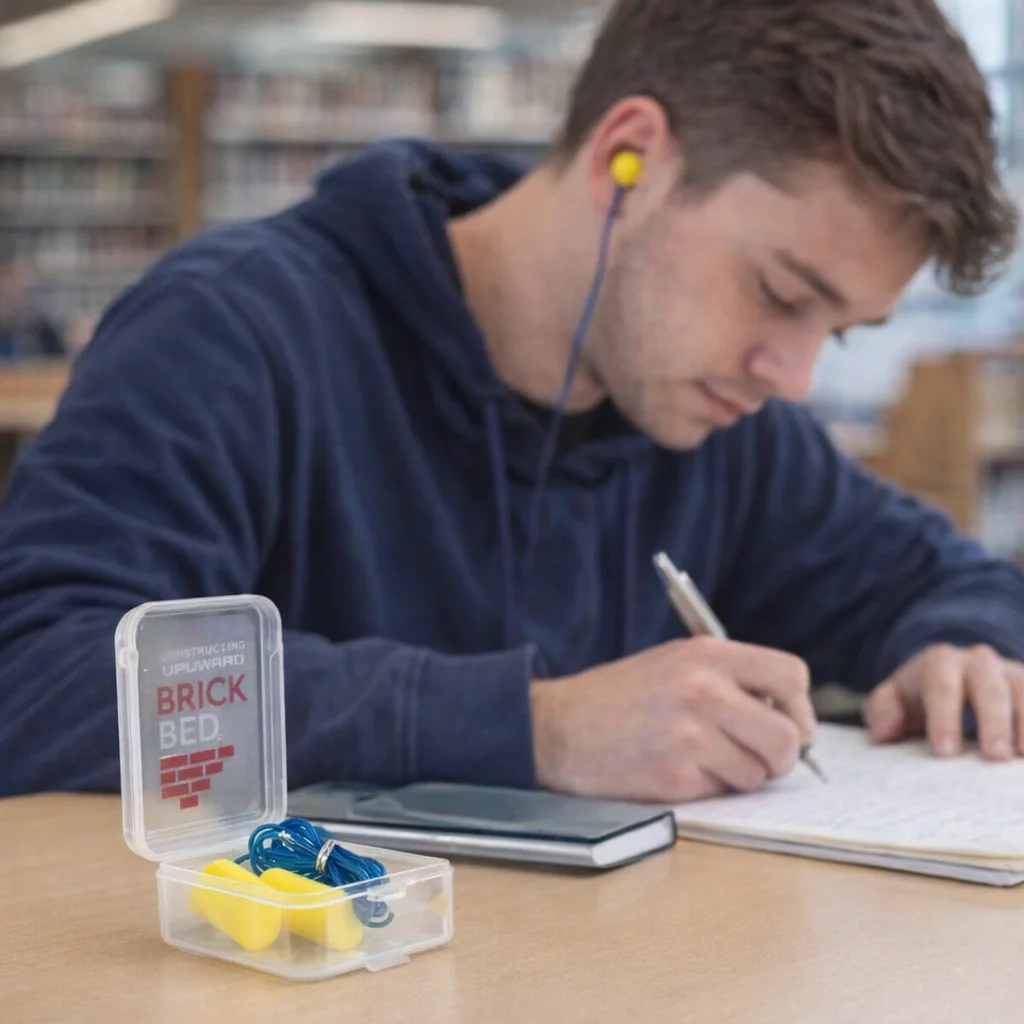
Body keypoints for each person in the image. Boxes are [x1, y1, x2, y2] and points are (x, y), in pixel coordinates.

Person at [1, 0, 1023, 803]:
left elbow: (952, 585)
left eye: (836, 329)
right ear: (630, 157)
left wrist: (964, 654)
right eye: (782, 294)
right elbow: (38, 679)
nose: (791, 376)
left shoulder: (722, 423)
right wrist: (531, 727)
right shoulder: (234, 331)